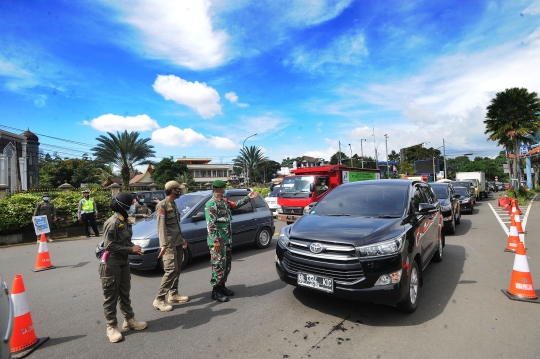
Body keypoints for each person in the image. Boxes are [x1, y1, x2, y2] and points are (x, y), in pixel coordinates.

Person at [99, 192, 147, 343]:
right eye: (132, 202)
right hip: (111, 264)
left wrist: (135, 248)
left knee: (125, 293)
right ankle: (111, 327)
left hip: (123, 262)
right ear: (124, 205)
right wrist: (130, 250)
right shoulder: (112, 222)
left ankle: (129, 320)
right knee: (111, 296)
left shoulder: (125, 220)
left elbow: (125, 242)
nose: (135, 205)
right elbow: (109, 245)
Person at [205, 180, 258, 302]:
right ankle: (216, 291)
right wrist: (215, 241)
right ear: (219, 190)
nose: (225, 190)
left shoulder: (224, 201)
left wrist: (248, 198)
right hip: (218, 242)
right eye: (224, 188)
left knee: (226, 265)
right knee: (218, 265)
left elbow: (235, 205)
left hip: (227, 240)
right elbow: (210, 225)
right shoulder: (211, 204)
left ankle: (222, 286)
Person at [153, 180, 189, 312]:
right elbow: (161, 226)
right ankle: (159, 299)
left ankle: (173, 294)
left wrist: (182, 239)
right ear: (173, 190)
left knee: (178, 268)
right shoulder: (162, 206)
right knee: (170, 270)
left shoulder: (174, 204)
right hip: (168, 243)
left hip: (177, 241)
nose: (179, 191)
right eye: (178, 189)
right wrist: (163, 244)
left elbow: (176, 225)